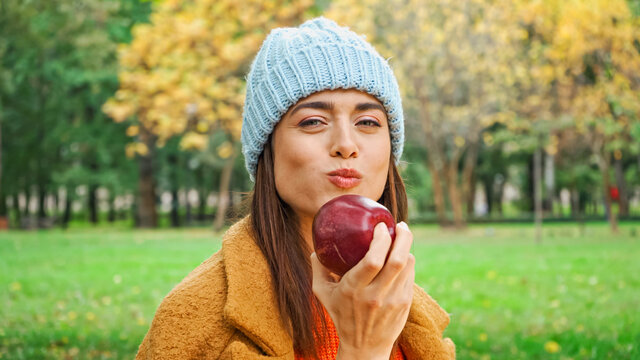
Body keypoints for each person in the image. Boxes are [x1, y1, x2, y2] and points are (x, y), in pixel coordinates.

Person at [136, 17, 455, 360]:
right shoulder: (193, 320)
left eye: (367, 122)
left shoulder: (409, 310)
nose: (346, 145)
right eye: (313, 122)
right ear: (267, 150)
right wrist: (364, 351)